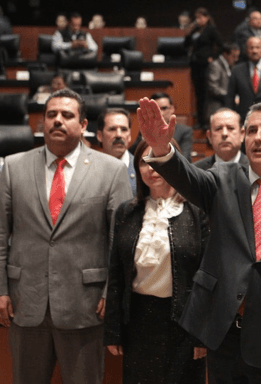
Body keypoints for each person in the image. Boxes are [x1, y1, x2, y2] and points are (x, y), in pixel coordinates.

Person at [137, 98, 261, 383]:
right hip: (223, 336)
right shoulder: (223, 179)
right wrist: (161, 148)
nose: (258, 137)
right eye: (252, 130)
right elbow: (187, 177)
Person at [0, 88, 133, 383]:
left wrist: (112, 292)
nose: (58, 120)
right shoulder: (14, 166)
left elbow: (122, 240)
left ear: (84, 124)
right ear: (43, 122)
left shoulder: (111, 170)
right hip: (25, 302)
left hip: (87, 305)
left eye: (67, 115)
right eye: (51, 114)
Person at [104, 139, 209, 384]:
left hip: (185, 325)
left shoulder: (197, 211)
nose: (151, 168)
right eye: (144, 162)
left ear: (176, 164)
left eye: (158, 159)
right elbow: (116, 274)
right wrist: (113, 330)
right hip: (138, 322)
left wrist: (202, 334)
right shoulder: (126, 212)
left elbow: (207, 276)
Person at [184, 7, 223, 129]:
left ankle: (205, 121)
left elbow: (221, 46)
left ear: (207, 18)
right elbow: (186, 44)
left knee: (205, 93)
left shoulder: (211, 30)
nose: (198, 20)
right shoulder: (195, 30)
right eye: (197, 18)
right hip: (195, 64)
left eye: (201, 17)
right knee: (198, 93)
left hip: (205, 64)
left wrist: (212, 57)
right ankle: (199, 120)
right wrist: (189, 32)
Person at [130, 92, 194, 162]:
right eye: (156, 109)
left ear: (172, 109)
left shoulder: (184, 131)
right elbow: (131, 155)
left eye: (164, 108)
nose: (161, 113)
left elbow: (185, 159)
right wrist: (142, 137)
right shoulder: (146, 129)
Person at [97, 108, 136, 195]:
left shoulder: (141, 169)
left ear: (129, 135)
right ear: (100, 136)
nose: (119, 135)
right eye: (112, 129)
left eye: (124, 129)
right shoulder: (89, 169)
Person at [207, 43, 240, 118]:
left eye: (237, 57)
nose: (236, 59)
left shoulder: (232, 66)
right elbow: (213, 87)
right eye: (234, 56)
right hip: (217, 106)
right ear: (225, 54)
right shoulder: (215, 65)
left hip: (228, 107)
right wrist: (230, 95)